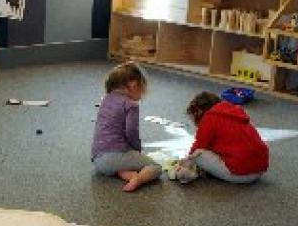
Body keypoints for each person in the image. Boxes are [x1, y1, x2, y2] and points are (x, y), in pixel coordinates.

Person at [91, 62, 161, 192]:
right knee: (156, 167)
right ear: (134, 85)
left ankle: (123, 172)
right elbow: (131, 131)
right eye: (142, 88)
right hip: (115, 155)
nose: (142, 94)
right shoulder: (131, 105)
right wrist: (137, 149)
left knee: (126, 161)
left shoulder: (106, 100)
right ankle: (138, 179)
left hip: (98, 159)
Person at [174, 92, 268, 184]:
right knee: (209, 150)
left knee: (198, 155)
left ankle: (193, 173)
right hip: (260, 170)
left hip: (242, 175)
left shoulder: (209, 118)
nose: (196, 124)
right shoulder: (233, 112)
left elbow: (198, 147)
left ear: (198, 112)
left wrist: (185, 161)